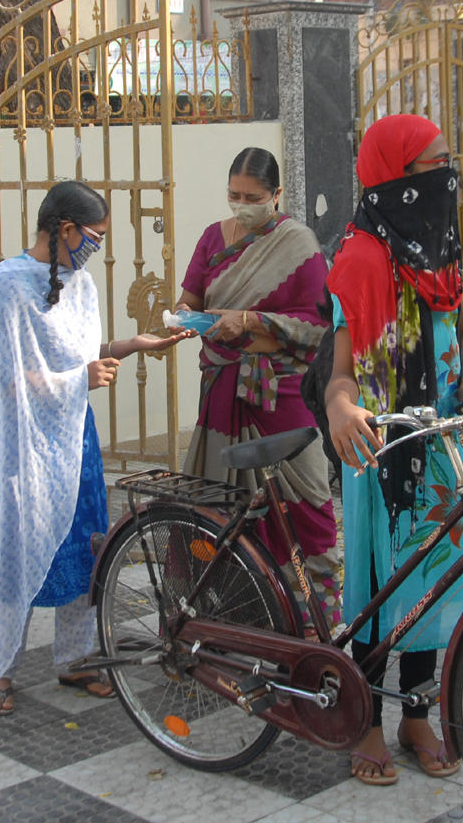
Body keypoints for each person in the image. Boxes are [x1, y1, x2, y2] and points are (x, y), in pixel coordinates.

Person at [0, 181, 189, 714]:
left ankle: (76, 657)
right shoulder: (4, 288)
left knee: (85, 548)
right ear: (64, 229)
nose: (95, 248)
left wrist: (131, 345)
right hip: (19, 447)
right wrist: (78, 378)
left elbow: (82, 351)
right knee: (15, 554)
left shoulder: (80, 285)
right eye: (93, 236)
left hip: (72, 440)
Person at [323, 115, 463, 785]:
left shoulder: (437, 246)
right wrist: (340, 403)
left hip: (445, 438)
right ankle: (365, 719)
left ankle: (416, 713)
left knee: (437, 577)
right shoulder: (362, 256)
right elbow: (341, 371)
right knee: (379, 580)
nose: (447, 177)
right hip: (380, 447)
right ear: (397, 175)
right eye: (433, 165)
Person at [174, 147, 339, 624]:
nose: (241, 205)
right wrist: (185, 319)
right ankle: (235, 613)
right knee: (221, 502)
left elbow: (319, 326)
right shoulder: (211, 239)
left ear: (276, 195)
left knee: (307, 500)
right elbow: (191, 300)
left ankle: (316, 616)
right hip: (223, 389)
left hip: (281, 391)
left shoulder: (299, 244)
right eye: (234, 195)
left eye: (253, 197)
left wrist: (250, 320)